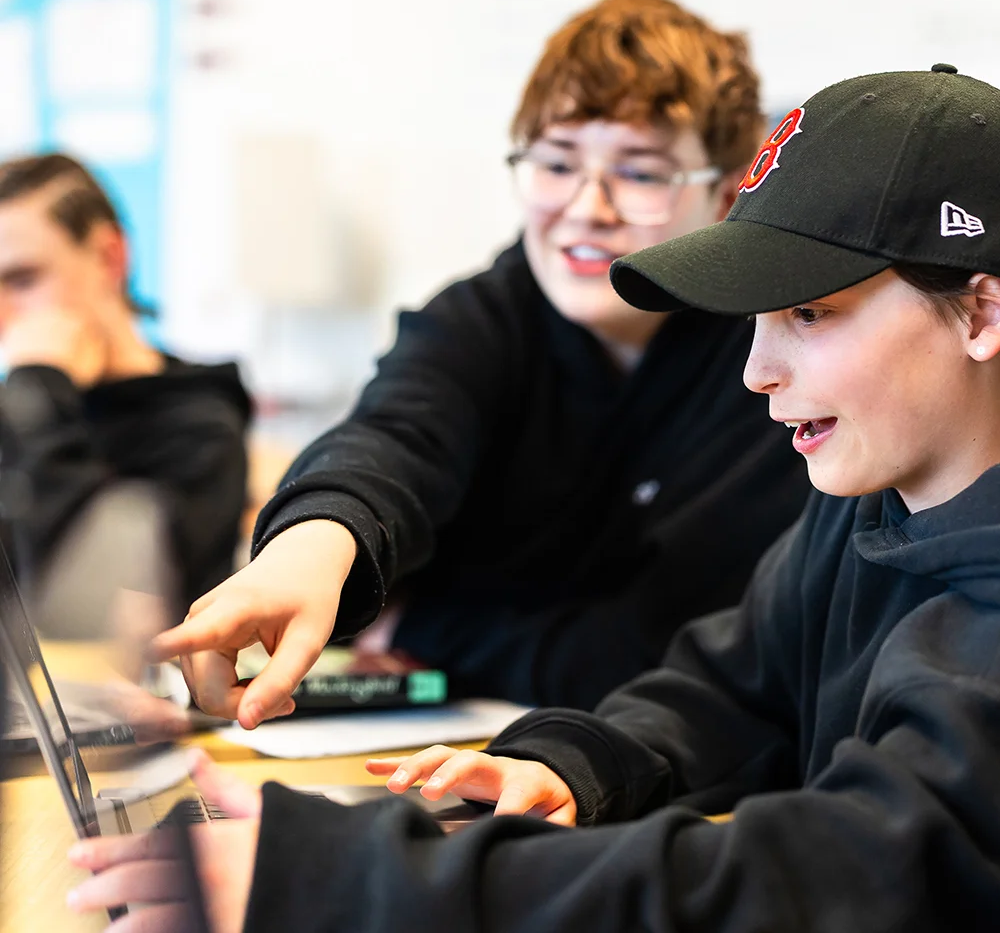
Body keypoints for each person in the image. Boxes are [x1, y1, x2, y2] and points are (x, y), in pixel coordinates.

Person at [69, 65, 1000, 931]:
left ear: (983, 313)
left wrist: (349, 879)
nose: (757, 371)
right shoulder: (869, 497)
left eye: (808, 313)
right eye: (755, 321)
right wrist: (562, 766)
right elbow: (728, 692)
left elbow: (837, 872)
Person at [150, 0, 810, 718]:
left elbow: (673, 653)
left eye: (642, 173)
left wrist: (427, 631)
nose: (587, 206)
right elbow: (395, 438)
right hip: (452, 753)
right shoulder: (477, 321)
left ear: (723, 196)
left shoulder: (772, 361)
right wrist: (313, 540)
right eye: (556, 164)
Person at [0, 154, 250, 635]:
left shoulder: (200, 427)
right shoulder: (24, 403)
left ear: (109, 258)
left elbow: (81, 609)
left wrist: (41, 387)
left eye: (23, 280)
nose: (6, 317)